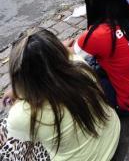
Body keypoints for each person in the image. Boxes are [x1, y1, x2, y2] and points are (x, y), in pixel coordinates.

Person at [0, 29, 120, 160]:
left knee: (7, 139)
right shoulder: (79, 65)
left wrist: (19, 91)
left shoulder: (21, 113)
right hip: (112, 135)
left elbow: (20, 134)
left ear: (21, 79)